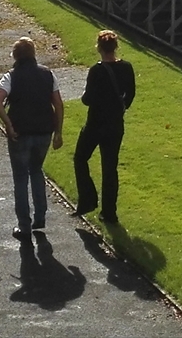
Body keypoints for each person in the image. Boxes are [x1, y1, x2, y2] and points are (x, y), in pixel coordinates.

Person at [0, 37, 63, 243]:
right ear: (33, 54)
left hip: (20, 132)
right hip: (44, 131)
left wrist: (8, 123)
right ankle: (40, 217)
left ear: (15, 56)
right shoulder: (48, 74)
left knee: (21, 178)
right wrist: (58, 132)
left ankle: (24, 226)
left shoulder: (11, 76)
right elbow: (58, 104)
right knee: (36, 170)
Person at [74, 30, 136, 224]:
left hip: (95, 123)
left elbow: (88, 99)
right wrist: (120, 108)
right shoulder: (127, 67)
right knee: (110, 168)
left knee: (80, 158)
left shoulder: (97, 70)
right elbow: (130, 94)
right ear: (116, 47)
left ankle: (88, 199)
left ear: (99, 47)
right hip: (115, 124)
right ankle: (109, 213)